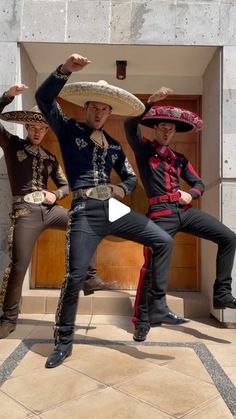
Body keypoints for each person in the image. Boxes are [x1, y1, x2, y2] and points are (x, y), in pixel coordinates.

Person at [35, 53, 174, 368]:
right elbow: (43, 98)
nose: (99, 112)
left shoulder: (113, 144)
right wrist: (65, 70)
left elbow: (130, 177)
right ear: (87, 109)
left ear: (110, 112)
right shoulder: (68, 129)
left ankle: (158, 305)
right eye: (94, 107)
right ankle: (63, 341)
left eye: (104, 108)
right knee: (74, 277)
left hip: (112, 208)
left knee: (163, 241)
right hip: (84, 209)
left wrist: (120, 189)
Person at [124, 87, 236, 342]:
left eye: (170, 129)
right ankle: (142, 320)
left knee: (229, 238)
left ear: (174, 132)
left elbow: (198, 184)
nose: (166, 131)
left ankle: (222, 294)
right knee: (151, 268)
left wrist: (191, 195)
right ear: (156, 128)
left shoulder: (180, 159)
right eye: (162, 126)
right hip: (160, 214)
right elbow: (131, 125)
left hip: (184, 211)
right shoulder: (144, 150)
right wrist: (149, 101)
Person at [0, 85, 110, 339]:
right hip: (25, 211)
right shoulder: (12, 144)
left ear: (47, 130)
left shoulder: (50, 157)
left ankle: (88, 277)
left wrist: (57, 195)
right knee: (19, 265)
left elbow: (65, 185)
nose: (38, 132)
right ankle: (8, 318)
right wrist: (7, 97)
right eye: (34, 127)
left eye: (43, 128)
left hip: (50, 209)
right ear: (27, 127)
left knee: (86, 222)